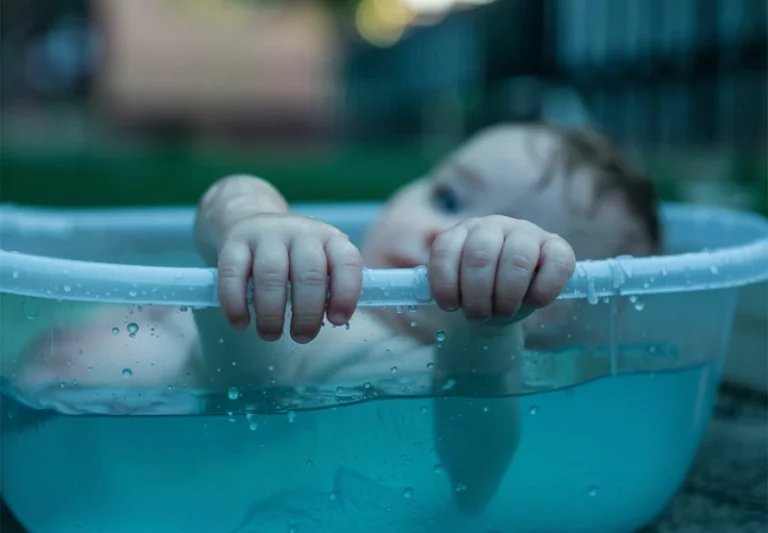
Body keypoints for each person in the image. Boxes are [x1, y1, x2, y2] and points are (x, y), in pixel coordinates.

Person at [12, 122, 660, 515]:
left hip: (55, 429)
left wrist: (486, 333)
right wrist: (253, 220)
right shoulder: (318, 261)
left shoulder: (402, 362)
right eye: (448, 195)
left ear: (548, 312)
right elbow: (230, 191)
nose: (441, 233)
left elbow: (474, 476)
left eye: (493, 244)